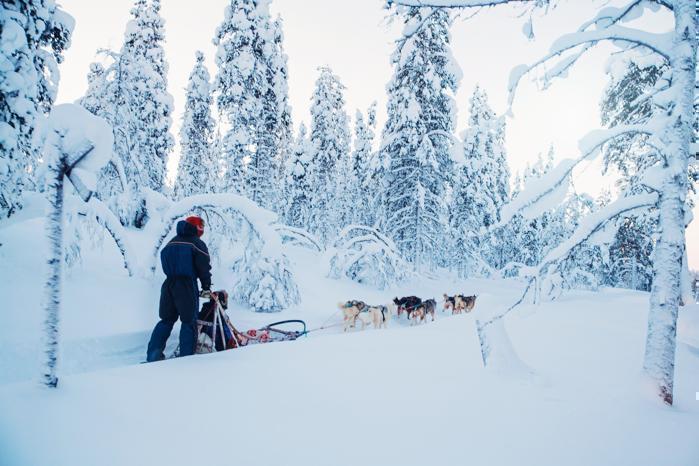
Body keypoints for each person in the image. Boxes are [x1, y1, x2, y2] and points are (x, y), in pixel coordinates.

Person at [146, 215, 212, 362]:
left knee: (166, 320)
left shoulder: (171, 243)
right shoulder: (196, 243)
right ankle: (186, 359)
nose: (202, 229)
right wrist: (206, 286)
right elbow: (204, 267)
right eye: (201, 226)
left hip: (168, 284)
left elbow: (164, 259)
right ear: (196, 227)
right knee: (189, 322)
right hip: (186, 285)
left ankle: (153, 355)